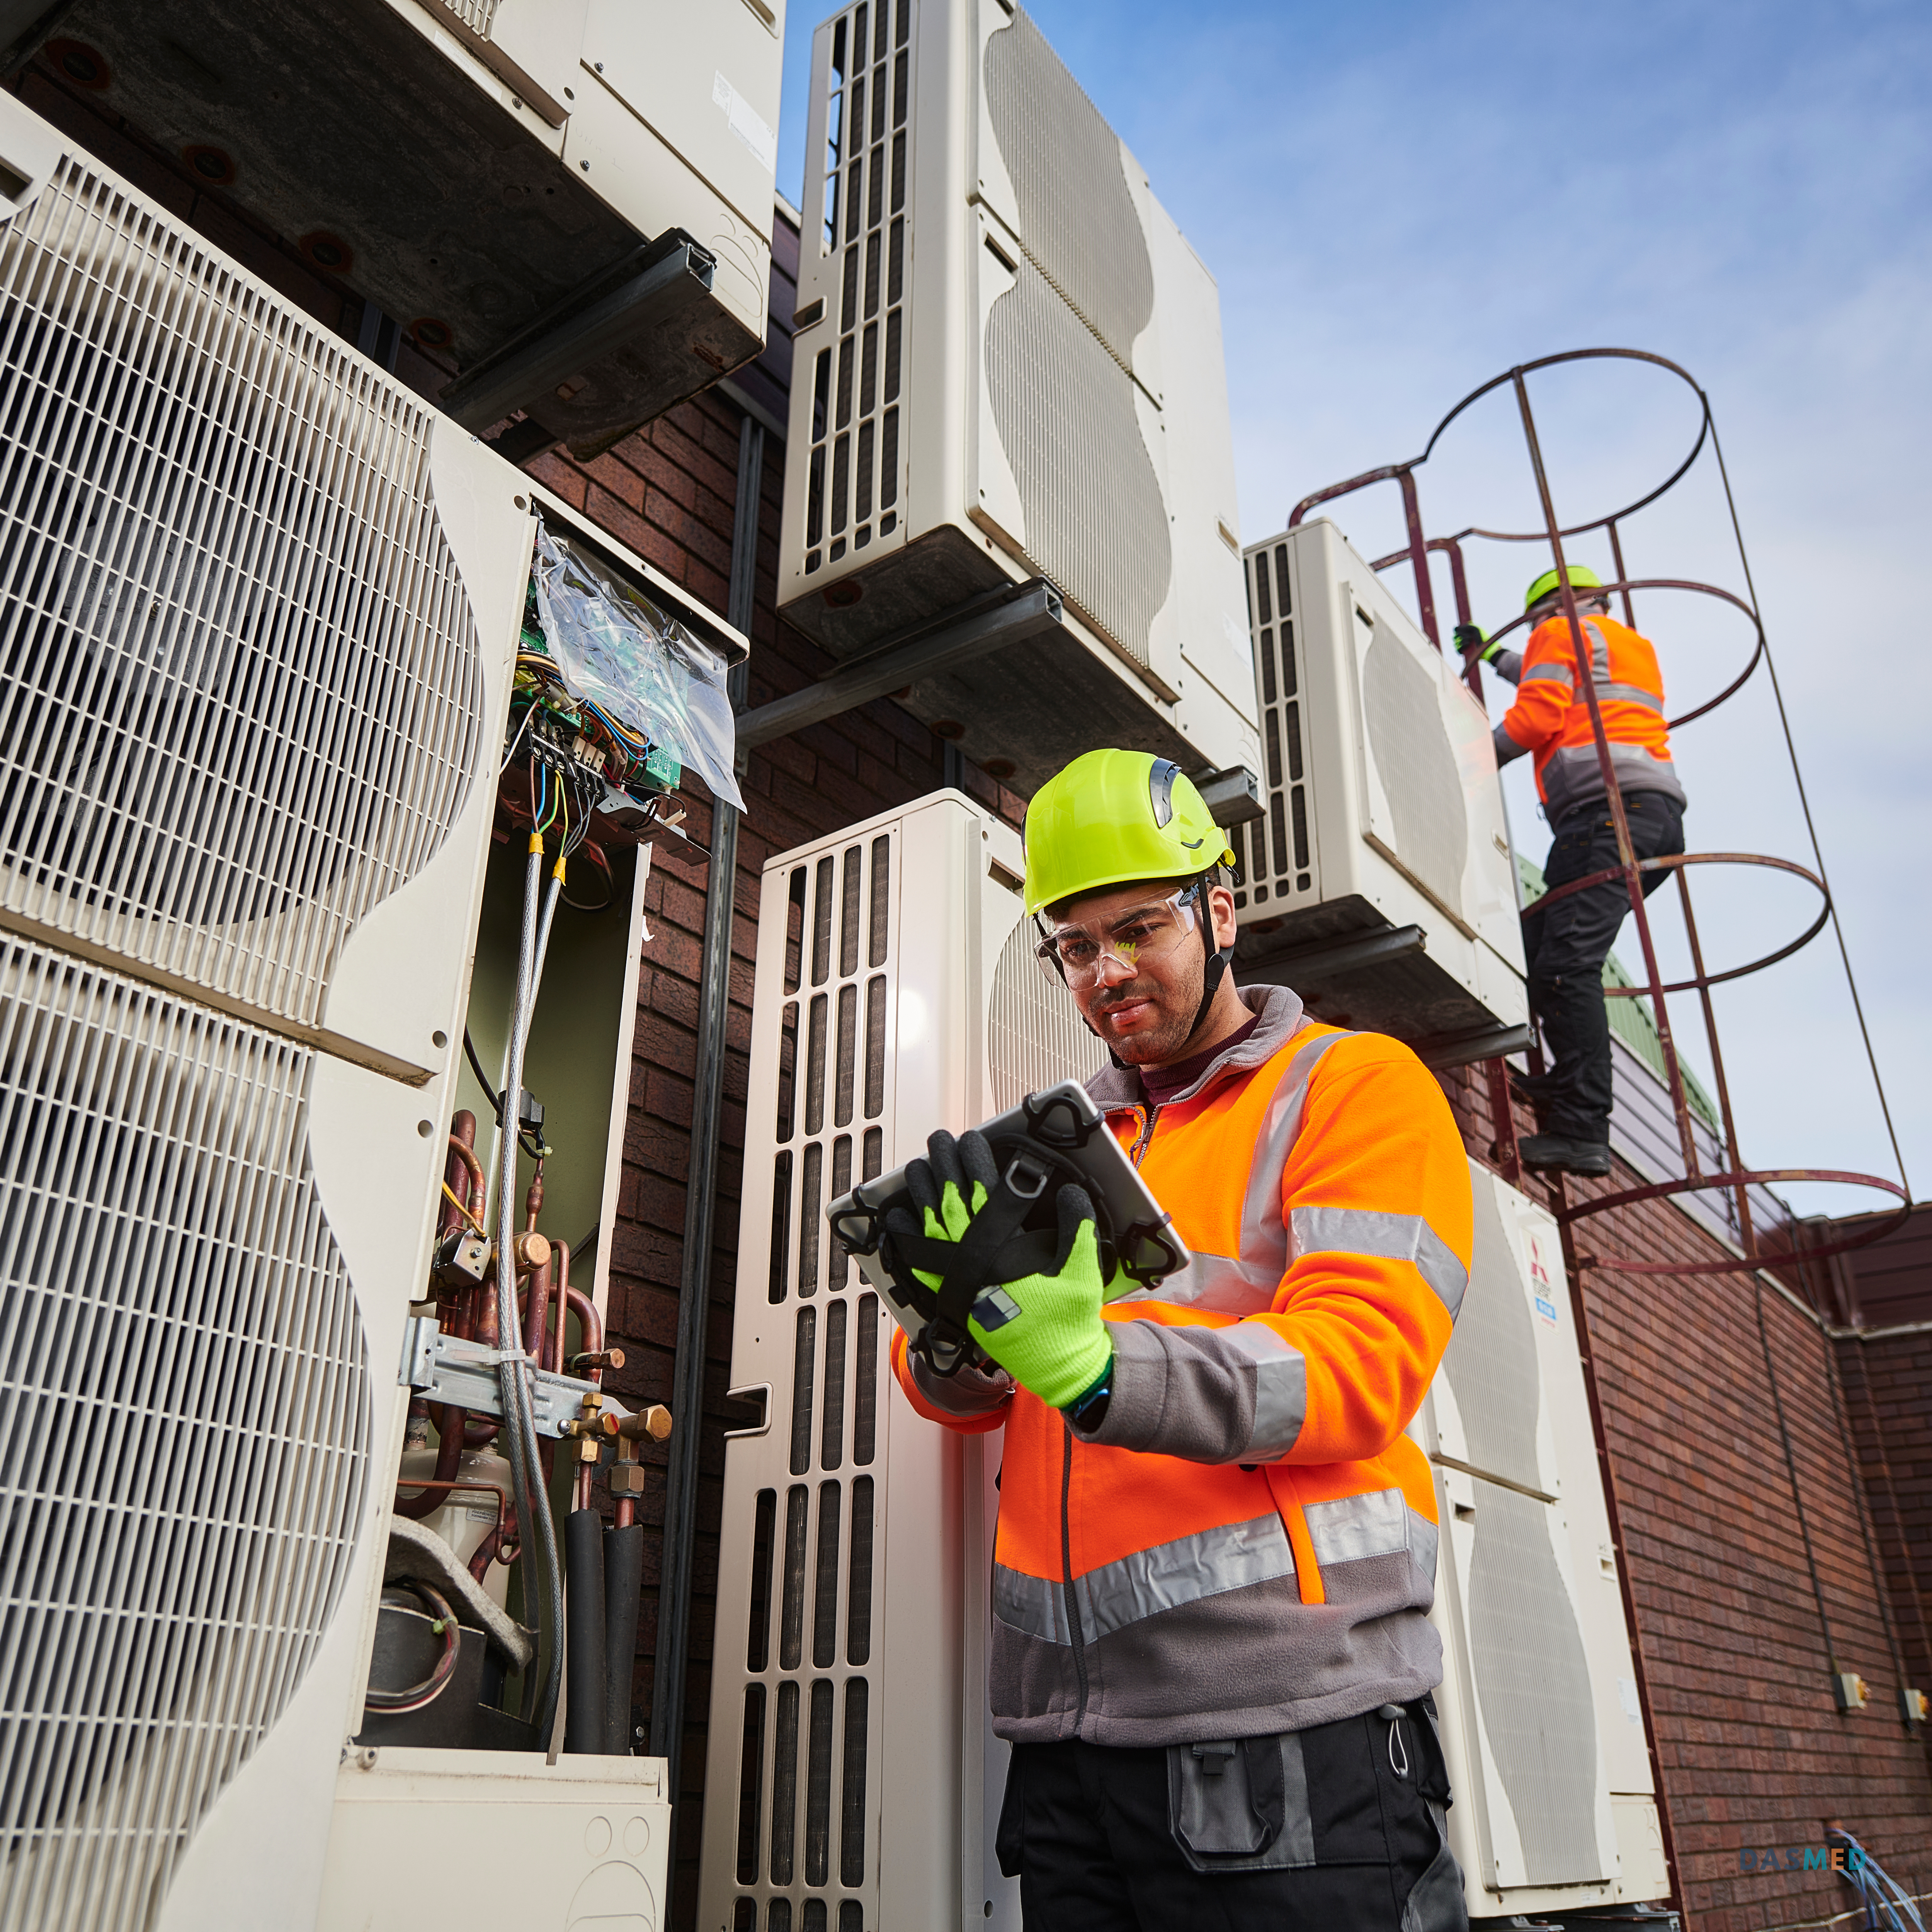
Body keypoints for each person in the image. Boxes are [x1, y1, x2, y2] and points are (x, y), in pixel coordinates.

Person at [888, 748, 1473, 1931]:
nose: (1105, 972)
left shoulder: (1350, 1087)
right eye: (1074, 947)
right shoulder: (1063, 1141)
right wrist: (951, 1323)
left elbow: (1361, 1366)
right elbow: (964, 1398)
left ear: (1221, 911)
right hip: (1066, 1747)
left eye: (1139, 928)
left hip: (1289, 1731)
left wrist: (1100, 1368)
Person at [1456, 566, 1687, 1179]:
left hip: (1607, 815)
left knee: (1565, 963)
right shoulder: (1625, 643)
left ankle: (1583, 1128)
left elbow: (1535, 717)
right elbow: (1552, 676)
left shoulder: (1557, 631)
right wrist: (1492, 656)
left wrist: (1466, 760)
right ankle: (1567, 1083)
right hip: (1651, 816)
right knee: (1538, 952)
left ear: (1551, 608)